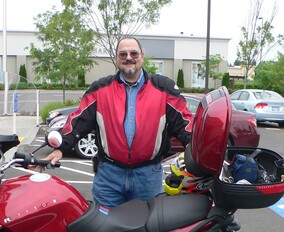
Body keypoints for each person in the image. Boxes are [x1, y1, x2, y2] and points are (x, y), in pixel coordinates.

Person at [43, 36, 193, 208]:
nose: (129, 57)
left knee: (145, 231)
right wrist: (60, 148)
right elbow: (78, 120)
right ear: (117, 58)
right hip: (109, 176)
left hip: (148, 176)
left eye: (133, 53)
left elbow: (185, 122)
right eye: (123, 54)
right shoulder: (100, 89)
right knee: (105, 230)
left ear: (142, 56)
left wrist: (195, 149)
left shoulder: (163, 88)